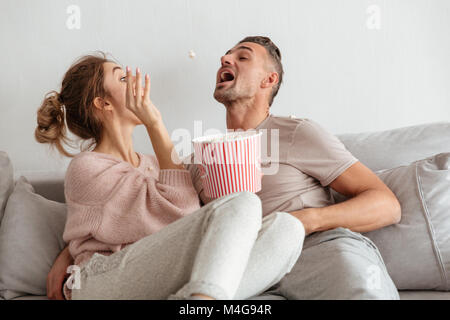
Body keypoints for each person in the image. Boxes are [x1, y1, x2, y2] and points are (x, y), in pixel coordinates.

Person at [35, 53, 306, 300]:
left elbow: (183, 227)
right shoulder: (86, 167)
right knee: (243, 202)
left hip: (155, 276)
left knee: (288, 228)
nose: (136, 83)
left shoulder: (154, 164)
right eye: (123, 77)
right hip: (100, 280)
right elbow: (183, 216)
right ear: (103, 103)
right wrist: (155, 124)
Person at [187, 36, 402, 299]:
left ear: (269, 80)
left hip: (314, 251)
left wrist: (305, 220)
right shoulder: (202, 157)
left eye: (242, 57)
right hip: (246, 268)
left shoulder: (296, 133)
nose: (224, 59)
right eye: (226, 56)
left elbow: (387, 205)